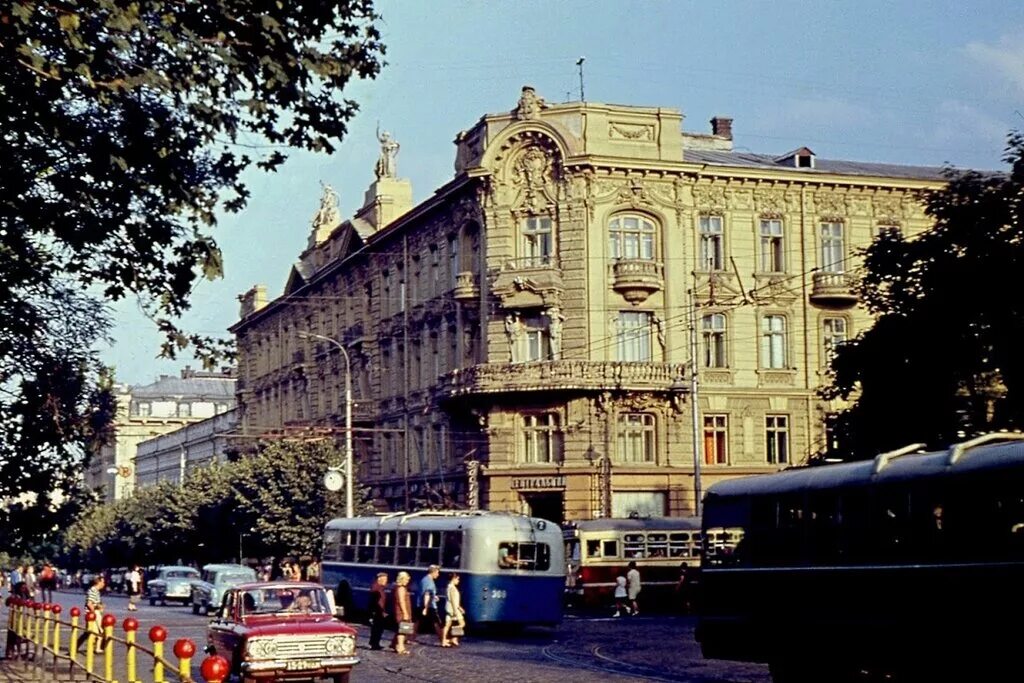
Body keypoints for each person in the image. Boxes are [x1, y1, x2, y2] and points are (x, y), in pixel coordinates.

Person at [74, 576, 106, 654]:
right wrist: (94, 612)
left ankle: (75, 647)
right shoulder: (93, 590)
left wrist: (100, 605)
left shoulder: (96, 591)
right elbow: (89, 603)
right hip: (93, 614)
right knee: (96, 632)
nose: (104, 584)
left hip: (93, 613)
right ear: (99, 582)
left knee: (89, 632)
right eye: (103, 582)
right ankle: (95, 648)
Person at [418, 564, 443, 643]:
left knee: (417, 621)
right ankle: (443, 640)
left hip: (423, 604)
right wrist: (425, 608)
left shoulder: (426, 579)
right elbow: (427, 594)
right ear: (433, 572)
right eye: (437, 573)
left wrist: (434, 597)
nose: (438, 575)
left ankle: (411, 638)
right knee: (437, 622)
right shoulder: (428, 581)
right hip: (430, 605)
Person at [391, 571, 413, 656]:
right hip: (401, 612)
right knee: (403, 630)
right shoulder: (401, 588)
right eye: (406, 579)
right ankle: (400, 647)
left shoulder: (400, 588)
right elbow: (401, 601)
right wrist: (405, 613)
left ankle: (394, 644)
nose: (407, 581)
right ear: (402, 579)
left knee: (401, 629)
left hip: (401, 611)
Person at [441, 573, 466, 647]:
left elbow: (455, 600)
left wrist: (460, 608)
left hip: (451, 608)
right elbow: (452, 600)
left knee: (447, 625)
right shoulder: (452, 588)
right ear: (453, 579)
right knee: (462, 624)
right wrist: (456, 610)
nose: (458, 581)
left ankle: (446, 640)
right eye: (457, 579)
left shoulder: (450, 587)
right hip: (453, 609)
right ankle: (453, 638)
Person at [367, 572, 389, 651]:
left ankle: (376, 643)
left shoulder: (380, 588)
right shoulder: (376, 589)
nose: (386, 581)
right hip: (377, 611)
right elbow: (374, 602)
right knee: (376, 628)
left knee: (379, 628)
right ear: (380, 579)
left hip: (380, 611)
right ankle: (374, 644)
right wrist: (376, 612)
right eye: (385, 579)